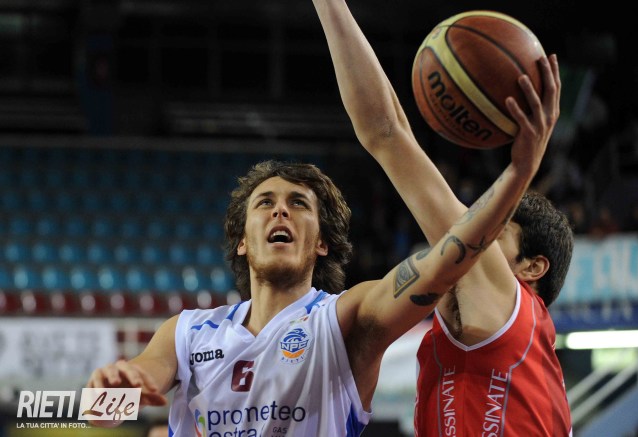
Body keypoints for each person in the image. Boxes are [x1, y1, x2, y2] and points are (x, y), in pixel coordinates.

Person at [86, 7, 555, 437]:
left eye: (298, 203)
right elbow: (103, 409)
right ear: (242, 240)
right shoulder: (187, 332)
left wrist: (517, 175)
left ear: (322, 243)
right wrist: (111, 392)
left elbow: (444, 263)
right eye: (265, 203)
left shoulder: (346, 322)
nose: (280, 210)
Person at [313, 0, 574, 435]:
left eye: (496, 232)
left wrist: (520, 171)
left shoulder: (511, 309)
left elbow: (386, 133)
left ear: (531, 268)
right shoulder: (493, 344)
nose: (469, 229)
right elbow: (385, 132)